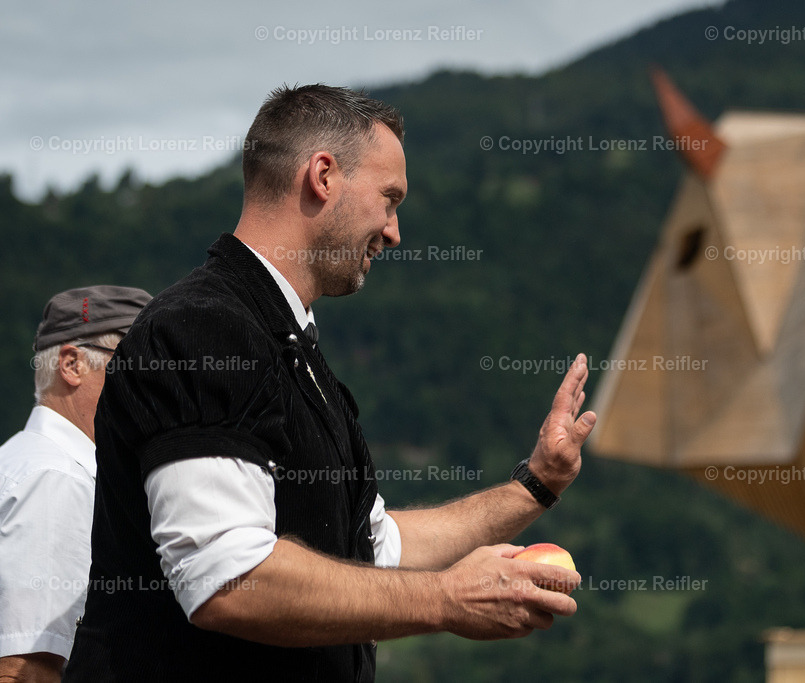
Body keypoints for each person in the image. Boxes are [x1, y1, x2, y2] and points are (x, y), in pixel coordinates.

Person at [63, 84, 598, 682]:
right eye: (389, 199)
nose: (394, 232)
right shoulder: (204, 328)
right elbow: (228, 580)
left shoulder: (293, 352)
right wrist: (447, 599)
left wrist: (534, 487)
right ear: (323, 175)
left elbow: (372, 546)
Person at [0, 286, 151, 682]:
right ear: (72, 364)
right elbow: (26, 671)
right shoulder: (58, 481)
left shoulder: (27, 463)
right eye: (140, 364)